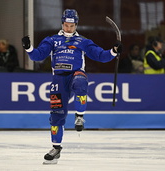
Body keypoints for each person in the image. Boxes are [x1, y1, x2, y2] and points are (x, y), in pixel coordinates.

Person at [21, 9, 122, 164]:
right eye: (66, 25)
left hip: (76, 74)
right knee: (56, 115)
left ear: (76, 25)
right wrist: (28, 48)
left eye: (72, 26)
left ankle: (79, 117)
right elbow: (38, 55)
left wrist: (114, 51)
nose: (69, 28)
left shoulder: (83, 41)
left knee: (80, 83)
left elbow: (100, 55)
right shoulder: (52, 40)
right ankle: (56, 148)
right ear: (62, 23)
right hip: (59, 80)